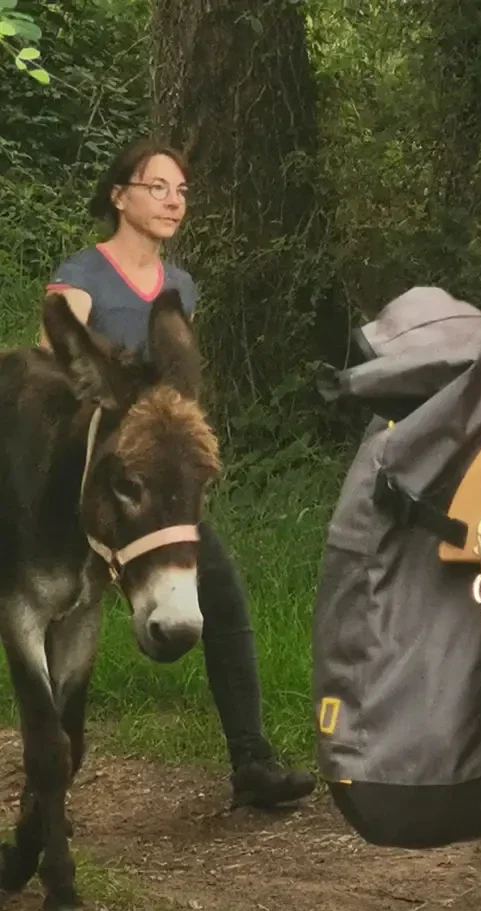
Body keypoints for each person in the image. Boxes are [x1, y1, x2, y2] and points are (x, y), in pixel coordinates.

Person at [44, 139, 316, 810]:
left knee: (222, 594)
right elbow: (59, 371)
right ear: (120, 196)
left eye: (182, 191)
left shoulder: (179, 288)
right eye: (157, 187)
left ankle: (252, 760)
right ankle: (46, 791)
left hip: (157, 486)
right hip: (91, 477)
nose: (173, 201)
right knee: (45, 615)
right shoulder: (78, 276)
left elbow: (176, 386)